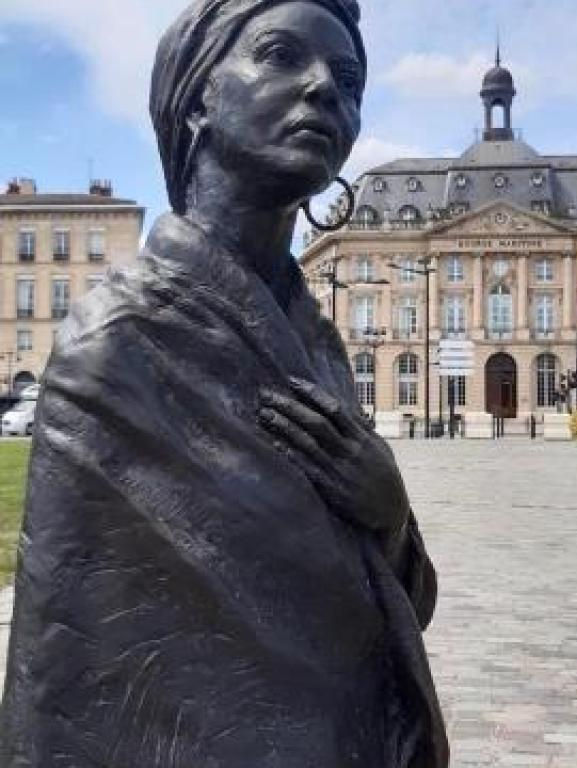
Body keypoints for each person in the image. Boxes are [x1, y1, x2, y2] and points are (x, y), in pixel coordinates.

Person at [0, 1, 449, 766]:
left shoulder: (317, 342)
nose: (324, 90)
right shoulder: (116, 348)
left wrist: (391, 515)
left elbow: (393, 604)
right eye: (281, 55)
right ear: (199, 95)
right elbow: (58, 682)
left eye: (348, 79)